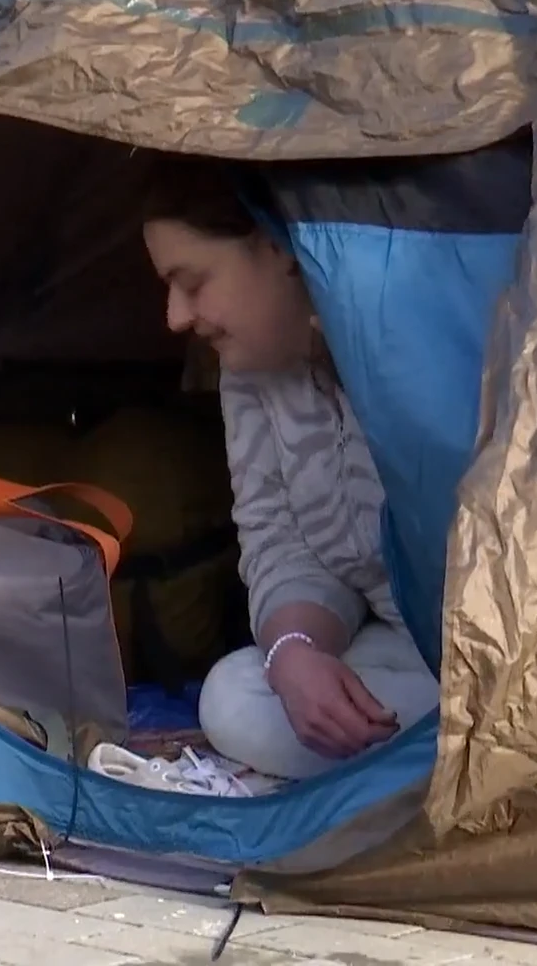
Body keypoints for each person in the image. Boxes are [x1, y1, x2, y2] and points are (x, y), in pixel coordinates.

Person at [138, 155, 440, 782]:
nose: (174, 318)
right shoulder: (250, 369)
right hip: (399, 656)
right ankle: (404, 779)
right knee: (233, 695)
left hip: (497, 661)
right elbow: (277, 537)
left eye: (192, 283)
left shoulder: (426, 339)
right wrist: (294, 654)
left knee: (479, 721)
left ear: (278, 244)